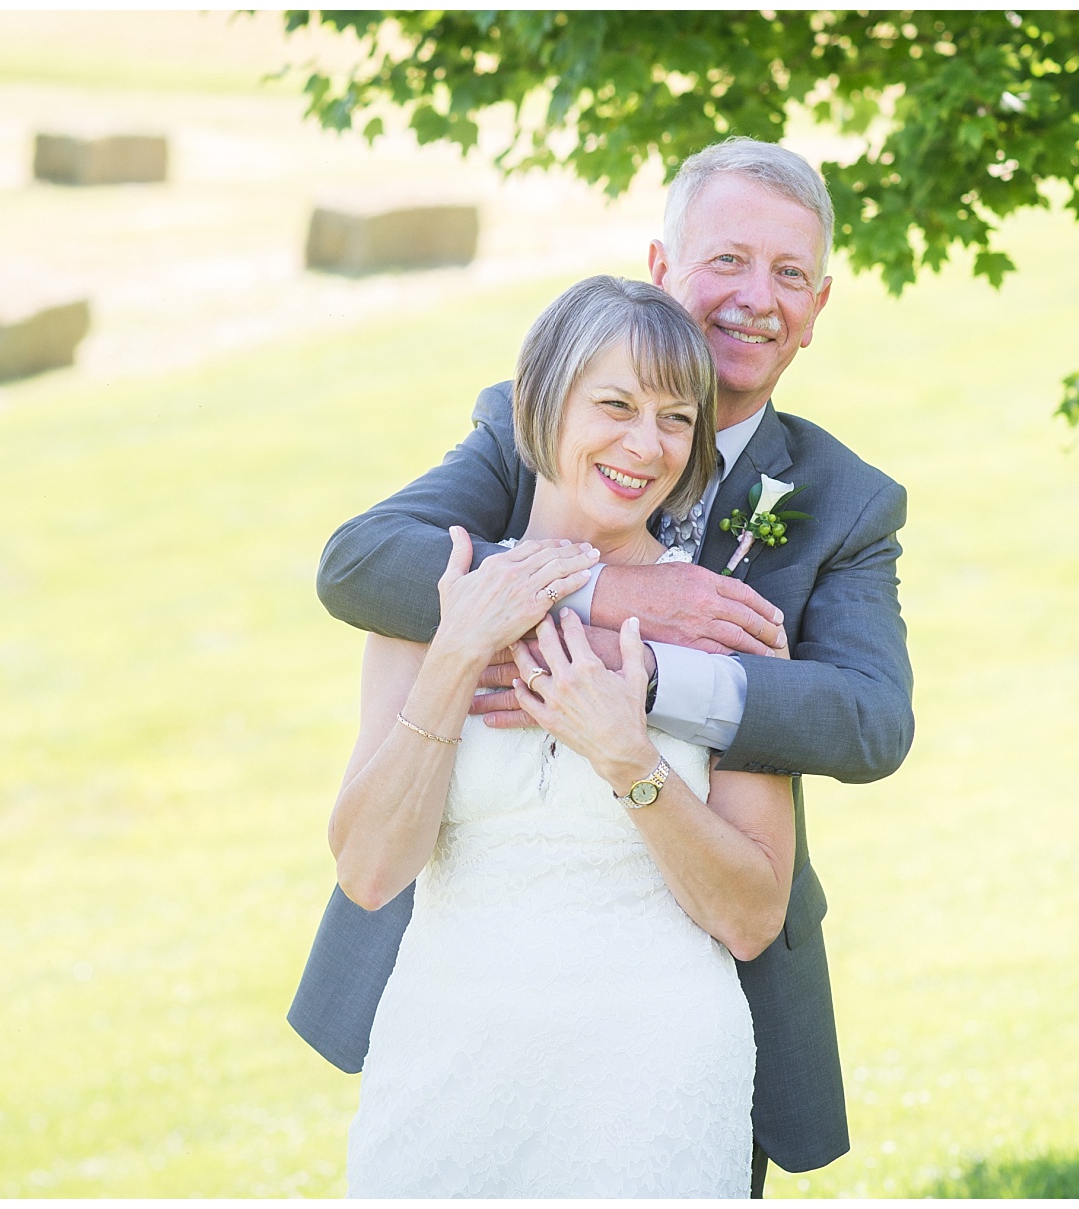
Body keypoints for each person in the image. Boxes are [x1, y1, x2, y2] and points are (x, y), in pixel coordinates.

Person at [291, 136, 913, 1196]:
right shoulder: (524, 420)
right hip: (453, 1026)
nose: (757, 299)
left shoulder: (841, 500)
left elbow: (867, 721)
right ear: (664, 269)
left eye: (791, 275)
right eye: (728, 259)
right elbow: (361, 563)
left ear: (819, 307)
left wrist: (652, 685)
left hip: (668, 1029)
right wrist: (606, 595)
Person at [337, 275, 794, 1196]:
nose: (645, 444)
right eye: (616, 405)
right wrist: (457, 652)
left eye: (675, 418)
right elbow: (371, 871)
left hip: (650, 1081)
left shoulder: (723, 626)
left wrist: (631, 759)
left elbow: (752, 918)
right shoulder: (427, 599)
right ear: (542, 403)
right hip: (445, 1070)